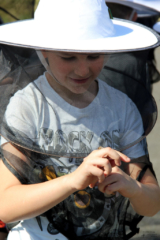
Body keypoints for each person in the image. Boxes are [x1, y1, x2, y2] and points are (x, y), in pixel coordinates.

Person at [0, 0, 160, 239]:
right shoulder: (28, 106)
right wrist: (73, 181)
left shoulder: (122, 108)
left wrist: (133, 188)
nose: (83, 70)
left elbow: (151, 204)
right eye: (68, 57)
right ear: (43, 51)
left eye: (93, 55)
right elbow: (6, 205)